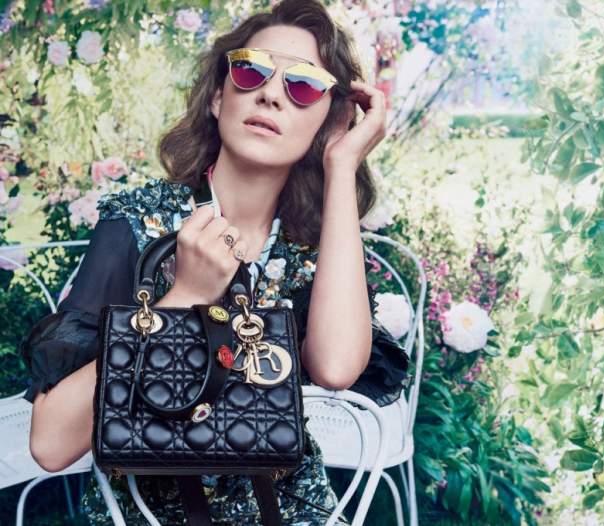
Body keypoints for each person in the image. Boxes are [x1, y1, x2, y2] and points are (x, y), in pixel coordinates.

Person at [19, 0, 410, 523]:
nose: (271, 94)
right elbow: (49, 444)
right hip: (146, 514)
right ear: (218, 95)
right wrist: (183, 296)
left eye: (303, 85)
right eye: (251, 71)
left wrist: (342, 163)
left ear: (330, 120)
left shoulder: (312, 246)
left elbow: (336, 368)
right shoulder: (137, 224)